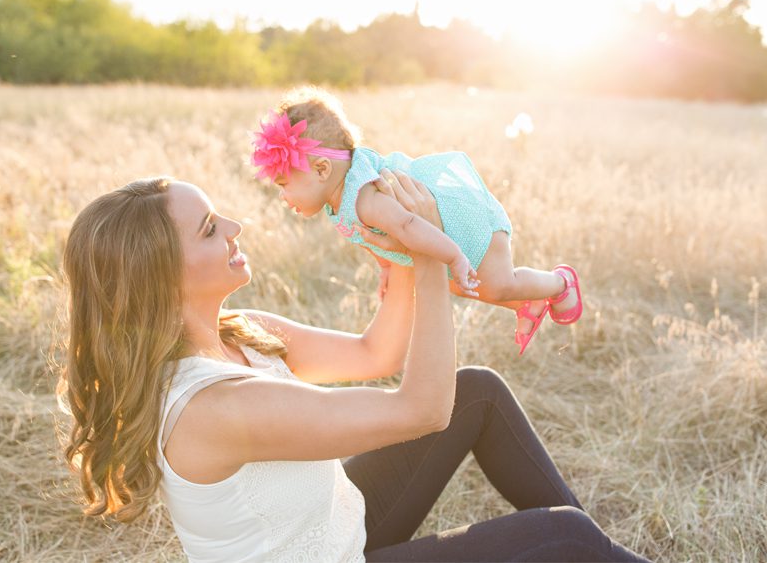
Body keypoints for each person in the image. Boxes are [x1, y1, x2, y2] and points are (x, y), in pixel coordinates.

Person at [58, 173, 649, 562]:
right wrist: (429, 256)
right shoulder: (214, 407)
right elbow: (419, 410)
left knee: (479, 394)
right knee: (562, 535)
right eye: (211, 230)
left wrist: (395, 258)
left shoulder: (241, 332)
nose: (236, 229)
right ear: (162, 275)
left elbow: (376, 355)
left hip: (339, 534)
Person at [251, 86, 581, 354]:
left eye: (284, 185)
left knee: (495, 283)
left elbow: (408, 225)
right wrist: (386, 267)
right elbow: (369, 236)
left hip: (466, 222)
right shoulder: (337, 199)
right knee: (465, 286)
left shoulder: (366, 197)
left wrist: (454, 256)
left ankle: (559, 283)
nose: (283, 197)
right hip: (447, 232)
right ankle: (528, 302)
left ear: (322, 169)